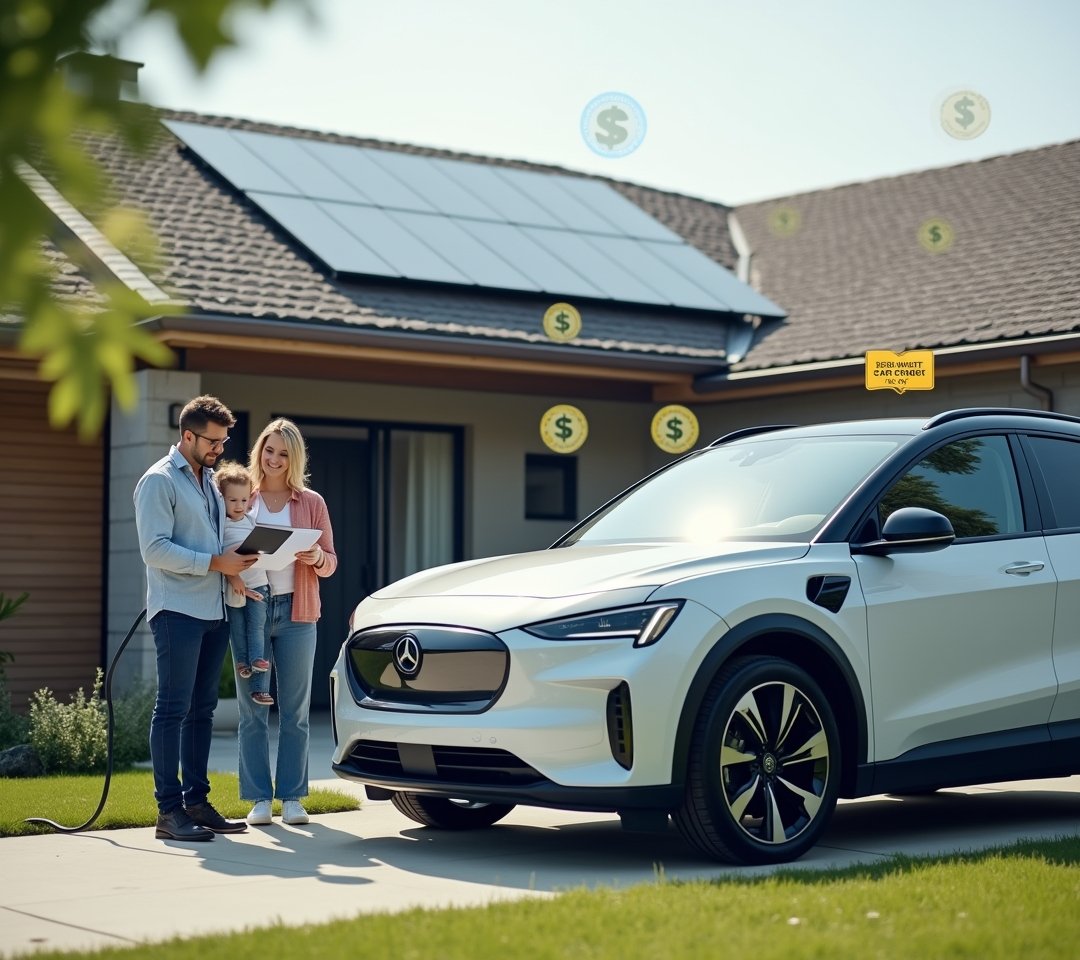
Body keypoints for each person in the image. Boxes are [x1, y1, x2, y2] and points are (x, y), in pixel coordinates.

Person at [134, 395, 258, 842]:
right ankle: (168, 812)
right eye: (213, 441)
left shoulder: (208, 481)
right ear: (187, 435)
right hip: (177, 611)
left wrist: (235, 568)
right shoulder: (159, 482)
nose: (220, 449)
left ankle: (196, 802)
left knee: (201, 711)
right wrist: (214, 563)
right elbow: (154, 549)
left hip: (214, 609)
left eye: (224, 441)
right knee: (172, 709)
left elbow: (218, 538)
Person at [237, 418, 337, 827]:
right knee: (252, 710)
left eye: (283, 453)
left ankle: (293, 797)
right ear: (259, 450)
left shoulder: (311, 501)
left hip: (297, 613)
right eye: (269, 449)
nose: (274, 459)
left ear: (294, 459)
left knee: (294, 712)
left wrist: (315, 558)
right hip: (252, 611)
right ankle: (259, 798)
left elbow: (330, 562)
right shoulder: (245, 497)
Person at [214, 462, 273, 705]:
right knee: (238, 628)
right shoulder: (219, 525)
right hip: (235, 587)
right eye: (232, 501)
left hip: (258, 585)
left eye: (243, 500)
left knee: (256, 627)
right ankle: (242, 661)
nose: (239, 506)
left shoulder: (251, 521)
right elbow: (219, 555)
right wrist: (234, 577)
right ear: (222, 499)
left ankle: (257, 664)